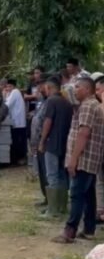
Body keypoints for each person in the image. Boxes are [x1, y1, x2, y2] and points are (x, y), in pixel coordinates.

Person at [54, 76, 103, 243]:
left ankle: (70, 231)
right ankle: (89, 229)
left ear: (87, 89)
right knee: (89, 195)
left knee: (76, 194)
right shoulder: (92, 105)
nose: (74, 90)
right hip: (90, 159)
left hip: (84, 158)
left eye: (77, 87)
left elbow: (84, 133)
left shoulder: (88, 106)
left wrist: (73, 159)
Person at [39, 76, 73, 217]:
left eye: (45, 88)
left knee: (52, 174)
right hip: (64, 143)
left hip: (52, 142)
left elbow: (48, 121)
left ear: (49, 87)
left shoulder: (51, 101)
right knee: (62, 174)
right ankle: (62, 206)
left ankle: (52, 209)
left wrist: (42, 140)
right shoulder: (66, 102)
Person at [4, 79, 28, 165]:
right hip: (15, 121)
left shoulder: (15, 92)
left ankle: (20, 158)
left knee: (19, 141)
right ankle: (17, 158)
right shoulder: (10, 93)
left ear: (14, 86)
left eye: (10, 86)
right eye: (7, 87)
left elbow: (7, 105)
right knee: (16, 141)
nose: (8, 88)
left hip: (18, 122)